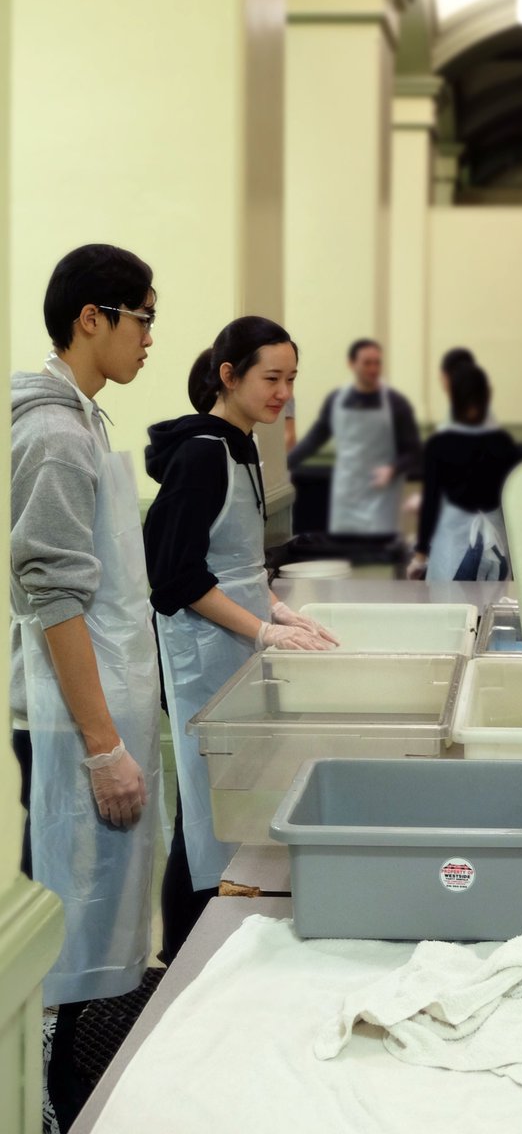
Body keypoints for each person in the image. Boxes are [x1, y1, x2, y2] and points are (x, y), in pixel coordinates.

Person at [10, 243, 161, 1130]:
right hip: (75, 733)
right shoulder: (54, 435)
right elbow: (54, 604)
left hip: (101, 718)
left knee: (98, 928)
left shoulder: (87, 423)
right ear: (91, 320)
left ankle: (77, 1094)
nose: (148, 339)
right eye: (140, 319)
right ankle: (47, 1107)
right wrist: (104, 747)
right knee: (63, 939)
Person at [144, 317, 336, 961]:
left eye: (290, 380)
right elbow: (175, 576)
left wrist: (279, 611)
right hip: (203, 654)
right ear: (229, 376)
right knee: (203, 814)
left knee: (222, 804)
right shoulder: (201, 452)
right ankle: (180, 958)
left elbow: (235, 560)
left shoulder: (241, 443)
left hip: (236, 644)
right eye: (270, 378)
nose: (283, 392)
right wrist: (261, 629)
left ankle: (204, 947)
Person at [288, 338, 420, 535]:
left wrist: (393, 470)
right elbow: (315, 438)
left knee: (377, 556)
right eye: (367, 362)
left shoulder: (395, 403)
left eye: (377, 362)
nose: (374, 368)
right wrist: (284, 465)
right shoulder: (337, 400)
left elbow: (414, 450)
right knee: (345, 555)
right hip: (346, 495)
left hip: (381, 496)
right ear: (352, 364)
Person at [407, 364, 517, 581]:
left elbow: (431, 503)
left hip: (455, 550)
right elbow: (511, 503)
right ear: (487, 396)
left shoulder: (440, 444)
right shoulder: (503, 442)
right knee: (490, 612)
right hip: (497, 549)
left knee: (454, 614)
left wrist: (420, 557)